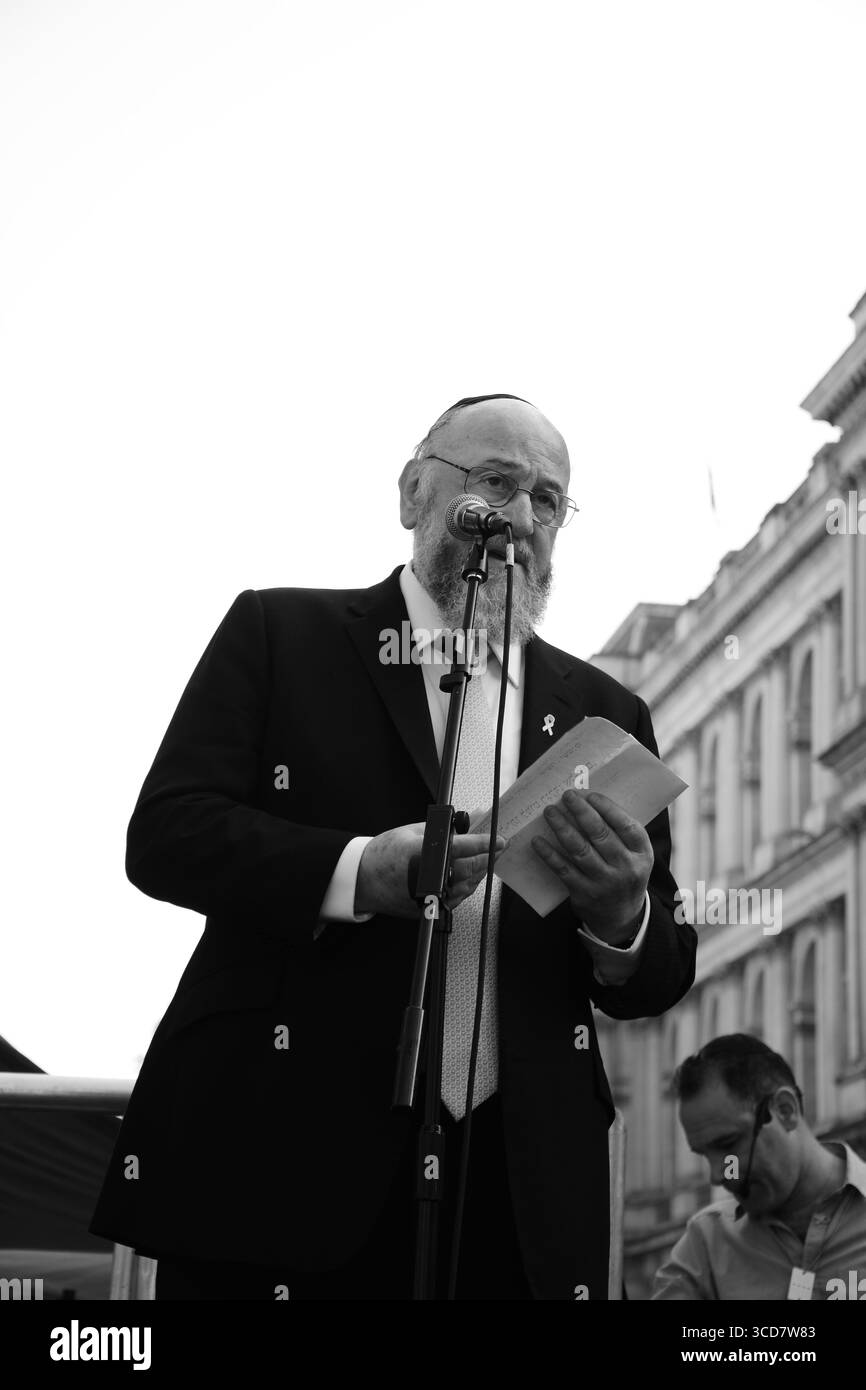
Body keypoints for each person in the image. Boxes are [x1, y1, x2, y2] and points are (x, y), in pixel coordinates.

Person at [90, 392, 696, 1300]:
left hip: (517, 1182)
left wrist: (623, 915)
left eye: (549, 502)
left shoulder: (608, 713)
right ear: (414, 492)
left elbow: (659, 973)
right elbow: (168, 835)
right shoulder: (279, 633)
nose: (522, 521)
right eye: (496, 483)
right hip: (286, 1154)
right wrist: (357, 871)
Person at [652, 1034, 866, 1300]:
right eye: (705, 1155)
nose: (719, 1174)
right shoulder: (704, 1248)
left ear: (785, 1111)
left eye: (729, 1144)